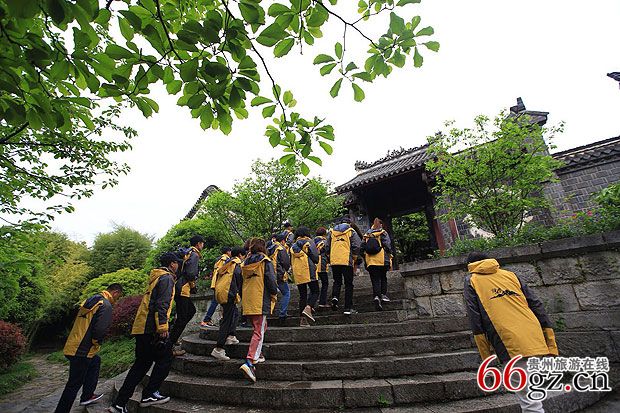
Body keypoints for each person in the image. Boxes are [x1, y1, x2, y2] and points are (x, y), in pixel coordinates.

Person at [464, 252, 559, 413]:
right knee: (532, 393)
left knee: (529, 402)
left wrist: (486, 357)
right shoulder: (510, 275)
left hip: (509, 342)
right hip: (534, 336)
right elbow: (536, 305)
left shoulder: (472, 280)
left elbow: (475, 320)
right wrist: (550, 343)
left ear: (470, 266)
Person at [108, 253, 178, 413]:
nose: (178, 266)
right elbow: (162, 304)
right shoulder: (166, 278)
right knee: (166, 358)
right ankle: (149, 394)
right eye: (177, 263)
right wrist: (162, 327)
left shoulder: (155, 277)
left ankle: (119, 404)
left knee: (140, 365)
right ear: (172, 264)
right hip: (152, 328)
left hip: (141, 327)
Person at [54, 284, 123, 412]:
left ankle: (87, 395)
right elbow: (100, 329)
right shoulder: (105, 305)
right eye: (118, 296)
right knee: (73, 384)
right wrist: (96, 343)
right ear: (115, 292)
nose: (117, 299)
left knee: (95, 361)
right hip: (83, 350)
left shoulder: (92, 300)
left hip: (74, 345)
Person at [239, 238, 278, 383]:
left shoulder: (245, 263)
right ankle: (250, 362)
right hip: (260, 299)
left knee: (260, 326)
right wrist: (274, 292)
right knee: (259, 331)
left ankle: (258, 353)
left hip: (248, 300)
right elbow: (271, 280)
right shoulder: (265, 261)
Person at [170, 235, 204, 356]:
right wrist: (193, 285)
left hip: (179, 286)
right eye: (202, 243)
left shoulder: (188, 252)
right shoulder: (194, 254)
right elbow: (190, 273)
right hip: (183, 288)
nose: (203, 245)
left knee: (190, 312)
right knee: (183, 318)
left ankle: (172, 338)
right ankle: (169, 344)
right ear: (198, 243)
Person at [211, 246, 245, 361]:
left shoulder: (227, 263)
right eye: (243, 256)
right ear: (240, 255)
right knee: (227, 321)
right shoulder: (237, 265)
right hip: (229, 295)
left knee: (234, 314)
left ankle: (231, 335)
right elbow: (239, 281)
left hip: (222, 293)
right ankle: (218, 349)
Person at [325, 216, 361, 315]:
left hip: (334, 260)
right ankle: (347, 308)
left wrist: (329, 256)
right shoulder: (351, 231)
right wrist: (354, 257)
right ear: (349, 223)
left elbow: (327, 246)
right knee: (348, 284)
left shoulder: (332, 232)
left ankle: (335, 297)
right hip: (346, 260)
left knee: (337, 281)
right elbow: (357, 245)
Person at [290, 226, 320, 326]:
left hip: (299, 272)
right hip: (309, 269)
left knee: (303, 295)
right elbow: (315, 258)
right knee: (315, 291)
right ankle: (308, 307)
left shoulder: (293, 246)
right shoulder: (309, 242)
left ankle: (303, 320)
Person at [362, 218, 392, 311]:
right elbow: (387, 245)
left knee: (375, 279)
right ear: (381, 225)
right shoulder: (383, 233)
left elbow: (362, 247)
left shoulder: (366, 235)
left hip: (370, 261)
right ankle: (383, 295)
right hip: (381, 259)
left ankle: (376, 296)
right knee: (383, 277)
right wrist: (389, 254)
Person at [200, 246, 232, 328]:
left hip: (216, 283)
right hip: (219, 283)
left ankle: (212, 319)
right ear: (228, 252)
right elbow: (221, 271)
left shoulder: (219, 259)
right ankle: (206, 320)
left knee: (218, 302)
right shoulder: (224, 259)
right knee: (215, 302)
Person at [268, 232, 291, 322]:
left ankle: (268, 312)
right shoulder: (281, 249)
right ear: (282, 241)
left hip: (270, 275)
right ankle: (282, 313)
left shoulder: (270, 248)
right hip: (279, 275)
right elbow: (286, 263)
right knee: (286, 293)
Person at [314, 227, 330, 308]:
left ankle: (312, 303)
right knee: (325, 283)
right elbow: (327, 252)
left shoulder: (312, 241)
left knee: (314, 284)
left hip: (313, 264)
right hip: (321, 263)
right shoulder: (324, 241)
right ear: (324, 234)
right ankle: (322, 302)